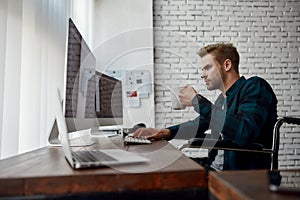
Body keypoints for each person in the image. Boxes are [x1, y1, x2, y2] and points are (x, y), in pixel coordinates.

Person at [134, 42, 278, 171]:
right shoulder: (222, 100)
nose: (203, 75)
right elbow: (198, 125)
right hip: (214, 166)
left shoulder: (255, 86)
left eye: (207, 68)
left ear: (227, 65)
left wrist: (197, 101)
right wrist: (164, 133)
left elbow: (244, 132)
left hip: (238, 175)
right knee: (162, 165)